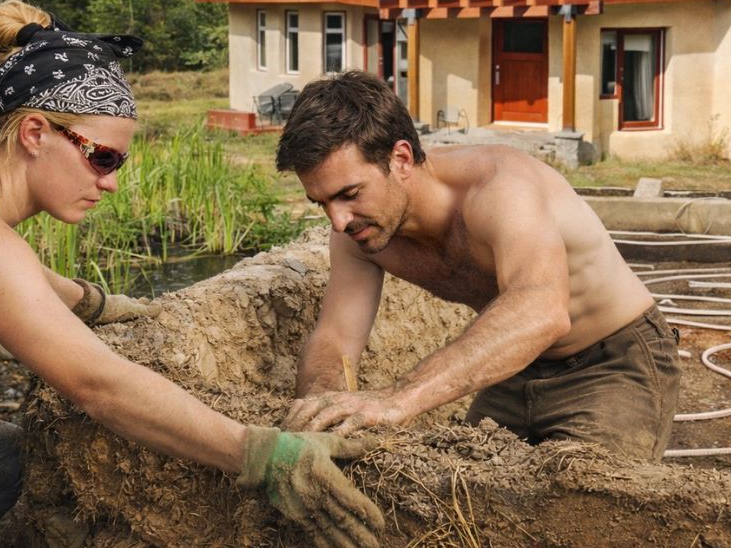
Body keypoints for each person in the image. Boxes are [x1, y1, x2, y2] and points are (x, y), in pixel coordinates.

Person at [0, 1, 383, 548]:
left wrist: (98, 304)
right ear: (35, 133)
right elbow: (98, 386)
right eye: (101, 157)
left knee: (22, 460)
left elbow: (28, 279)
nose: (109, 182)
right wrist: (260, 453)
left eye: (119, 162)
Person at [276, 70, 680, 461]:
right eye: (322, 202)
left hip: (613, 360)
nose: (338, 220)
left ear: (400, 158)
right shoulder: (357, 234)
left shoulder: (500, 187)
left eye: (349, 194)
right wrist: (319, 408)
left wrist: (399, 397)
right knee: (459, 491)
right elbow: (335, 338)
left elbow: (541, 310)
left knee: (581, 493)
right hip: (517, 367)